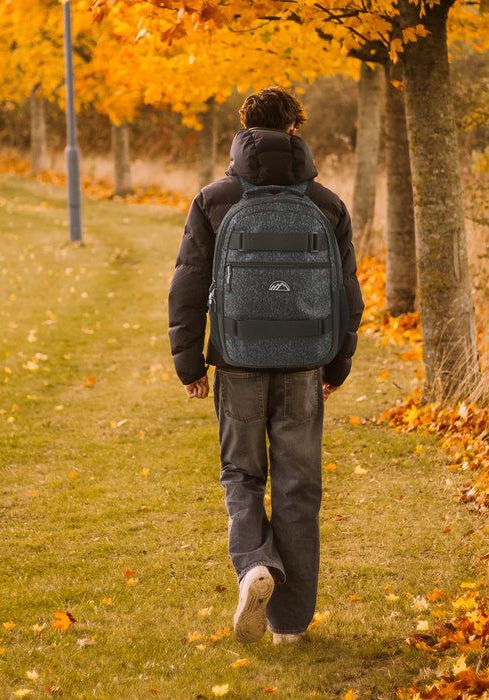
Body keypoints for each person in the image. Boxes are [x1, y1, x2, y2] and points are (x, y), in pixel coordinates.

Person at [168, 86, 364, 645]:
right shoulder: (327, 204)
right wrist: (336, 366)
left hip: (238, 360)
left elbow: (187, 285)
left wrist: (189, 363)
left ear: (244, 130)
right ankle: (291, 628)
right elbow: (348, 295)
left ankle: (255, 565)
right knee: (299, 487)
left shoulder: (213, 199)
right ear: (296, 130)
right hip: (305, 364)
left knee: (243, 475)